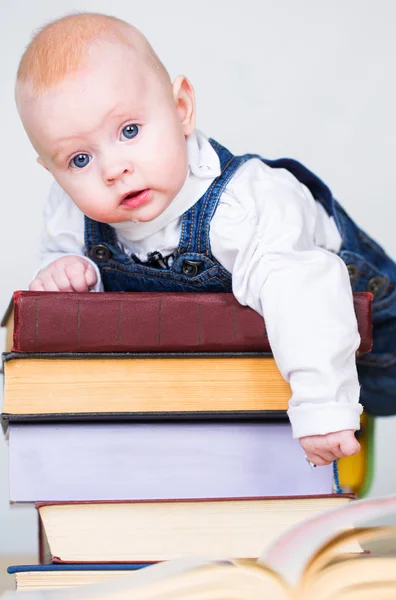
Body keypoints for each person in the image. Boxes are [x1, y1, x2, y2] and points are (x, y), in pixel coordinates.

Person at [15, 12, 396, 466]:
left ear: (181, 109)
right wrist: (66, 276)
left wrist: (324, 410)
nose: (113, 169)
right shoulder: (70, 209)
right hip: (247, 363)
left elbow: (305, 295)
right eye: (79, 159)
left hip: (357, 340)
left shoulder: (243, 205)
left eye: (129, 131)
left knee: (360, 395)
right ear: (52, 171)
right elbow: (67, 266)